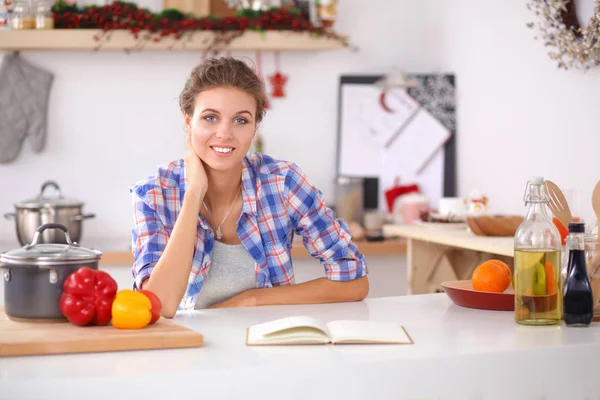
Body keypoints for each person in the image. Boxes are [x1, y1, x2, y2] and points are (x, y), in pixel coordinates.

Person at [130, 57, 369, 318]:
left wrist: (252, 299)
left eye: (241, 120)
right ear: (188, 122)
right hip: (190, 350)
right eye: (210, 118)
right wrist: (194, 192)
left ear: (255, 126)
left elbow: (355, 282)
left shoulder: (283, 182)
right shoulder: (154, 194)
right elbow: (160, 304)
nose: (225, 133)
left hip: (270, 349)